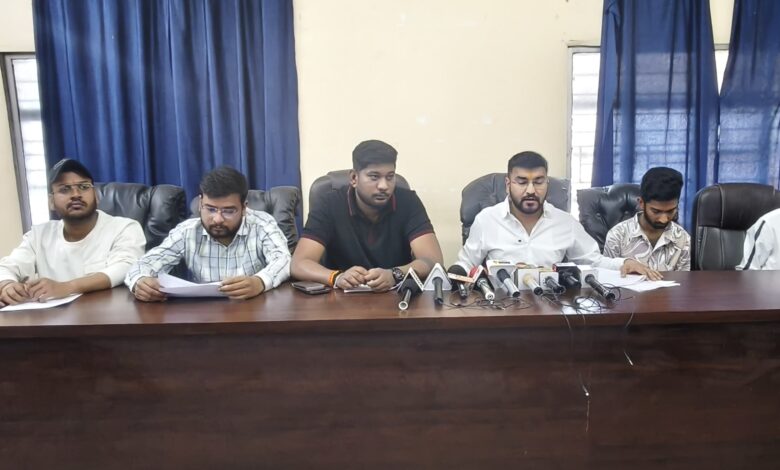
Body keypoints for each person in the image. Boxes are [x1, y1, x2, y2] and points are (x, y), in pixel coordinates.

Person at [456, 151, 661, 279]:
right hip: (501, 310)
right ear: (508, 184)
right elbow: (465, 265)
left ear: (547, 183)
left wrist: (625, 263)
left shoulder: (565, 222)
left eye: (538, 182)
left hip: (551, 308)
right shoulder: (487, 220)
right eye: (522, 182)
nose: (530, 190)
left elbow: (592, 260)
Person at [291, 139, 443, 291]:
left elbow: (433, 261)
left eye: (390, 177)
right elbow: (299, 264)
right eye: (374, 177)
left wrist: (395, 274)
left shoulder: (408, 202)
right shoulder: (329, 204)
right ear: (354, 178)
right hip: (340, 298)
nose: (384, 186)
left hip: (396, 296)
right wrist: (336, 277)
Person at [125, 166, 291, 301]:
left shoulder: (262, 224)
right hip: (204, 315)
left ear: (244, 208)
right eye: (210, 209)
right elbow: (144, 263)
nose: (218, 219)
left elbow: (283, 259)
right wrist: (140, 281)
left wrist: (259, 282)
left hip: (253, 310)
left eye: (228, 211)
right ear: (200, 204)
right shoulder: (188, 231)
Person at [0, 158, 146, 305]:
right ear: (51, 202)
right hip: (53, 317)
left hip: (107, 314)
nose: (76, 194)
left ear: (96, 196)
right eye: (64, 189)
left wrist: (66, 287)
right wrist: (7, 285)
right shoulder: (38, 235)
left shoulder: (124, 227)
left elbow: (125, 268)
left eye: (83, 187)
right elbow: (8, 266)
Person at [603, 167, 691, 271]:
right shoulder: (617, 236)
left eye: (670, 211)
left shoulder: (683, 239)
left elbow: (685, 280)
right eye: (656, 211)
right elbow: (606, 276)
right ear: (641, 203)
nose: (663, 219)